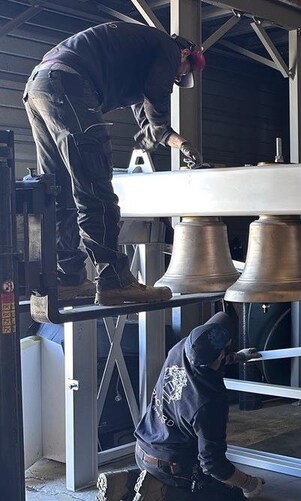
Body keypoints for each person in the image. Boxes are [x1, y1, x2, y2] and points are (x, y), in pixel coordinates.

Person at [22, 22, 206, 305]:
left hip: (41, 86)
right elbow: (158, 96)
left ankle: (68, 277)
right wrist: (158, 126)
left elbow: (148, 120)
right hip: (68, 86)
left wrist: (180, 143)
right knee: (95, 188)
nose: (178, 79)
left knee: (59, 189)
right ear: (186, 57)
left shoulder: (139, 53)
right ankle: (114, 281)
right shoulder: (169, 49)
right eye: (181, 75)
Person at [95, 311, 266, 501]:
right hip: (171, 466)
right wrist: (247, 483)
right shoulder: (209, 401)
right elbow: (213, 463)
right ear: (219, 356)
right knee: (231, 495)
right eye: (225, 352)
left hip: (142, 448)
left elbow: (210, 354)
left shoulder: (182, 348)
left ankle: (122, 482)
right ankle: (161, 492)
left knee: (174, 465)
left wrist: (237, 356)